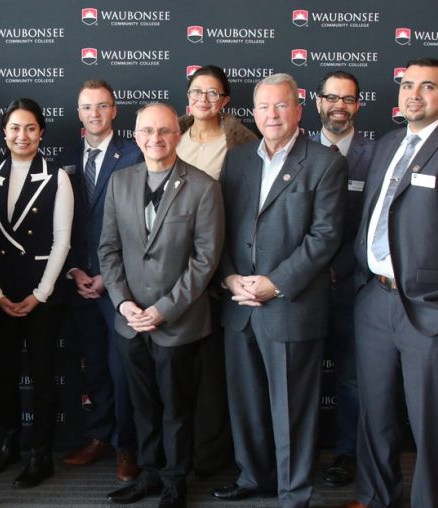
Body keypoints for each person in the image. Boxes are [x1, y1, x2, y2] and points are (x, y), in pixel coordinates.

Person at [338, 57, 438, 508]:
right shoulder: (387, 144)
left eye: (427, 87)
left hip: (428, 310)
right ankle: (375, 498)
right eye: (408, 85)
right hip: (375, 300)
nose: (414, 94)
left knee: (429, 424)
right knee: (375, 415)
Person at [212, 73, 346, 507]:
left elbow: (324, 238)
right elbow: (223, 229)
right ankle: (255, 476)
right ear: (254, 113)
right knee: (246, 404)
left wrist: (275, 284)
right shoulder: (237, 160)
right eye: (264, 107)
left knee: (292, 412)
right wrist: (231, 278)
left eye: (281, 106)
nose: (272, 115)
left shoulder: (325, 162)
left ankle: (294, 493)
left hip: (290, 306)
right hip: (239, 304)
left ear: (298, 109)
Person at [101, 103, 224, 508]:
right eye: (147, 131)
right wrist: (123, 304)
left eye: (165, 131)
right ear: (136, 135)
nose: (155, 139)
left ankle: (175, 479)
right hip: (130, 322)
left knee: (176, 408)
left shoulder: (203, 187)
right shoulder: (120, 182)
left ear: (178, 134)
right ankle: (149, 473)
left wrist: (164, 309)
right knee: (143, 406)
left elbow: (206, 260)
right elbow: (109, 250)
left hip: (178, 322)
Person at [0, 98, 73, 489]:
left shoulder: (56, 176)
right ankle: (11, 442)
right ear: (3, 132)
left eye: (30, 128)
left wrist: (41, 292)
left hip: (42, 291)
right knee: (6, 374)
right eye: (15, 128)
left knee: (45, 375)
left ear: (41, 133)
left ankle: (41, 453)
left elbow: (63, 239)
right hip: (0, 291)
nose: (22, 135)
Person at [58, 79, 143, 482]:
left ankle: (128, 446)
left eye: (102, 106)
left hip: (121, 283)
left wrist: (109, 278)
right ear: (79, 113)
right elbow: (57, 226)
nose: (95, 113)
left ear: (115, 111)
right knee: (94, 365)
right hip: (77, 280)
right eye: (87, 107)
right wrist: (75, 269)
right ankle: (101, 436)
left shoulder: (134, 154)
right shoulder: (65, 157)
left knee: (122, 366)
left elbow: (143, 225)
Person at [175, 65, 256, 476]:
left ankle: (210, 456)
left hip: (219, 271)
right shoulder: (170, 136)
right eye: (196, 92)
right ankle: (177, 454)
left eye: (212, 93)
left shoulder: (242, 143)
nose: (203, 100)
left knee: (212, 372)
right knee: (175, 371)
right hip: (171, 270)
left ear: (225, 101)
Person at [309, 70, 376, 488]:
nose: (339, 105)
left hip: (355, 290)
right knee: (302, 377)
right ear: (317, 102)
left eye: (347, 99)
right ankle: (300, 453)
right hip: (303, 289)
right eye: (331, 97)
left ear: (358, 105)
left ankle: (347, 454)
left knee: (352, 378)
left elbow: (380, 224)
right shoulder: (295, 151)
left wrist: (345, 267)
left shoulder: (379, 153)